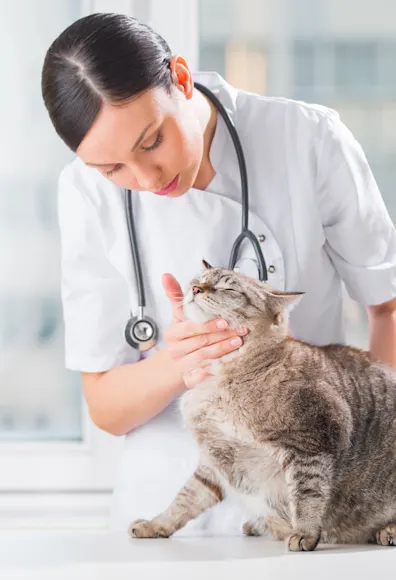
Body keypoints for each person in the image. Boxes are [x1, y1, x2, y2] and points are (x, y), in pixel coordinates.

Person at [41, 12, 396, 535]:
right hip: (171, 517)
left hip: (319, 497)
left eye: (151, 141)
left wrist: (376, 448)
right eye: (112, 169)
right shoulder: (83, 193)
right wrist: (178, 362)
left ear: (181, 78)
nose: (145, 178)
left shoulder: (307, 138)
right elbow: (106, 409)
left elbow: (386, 303)